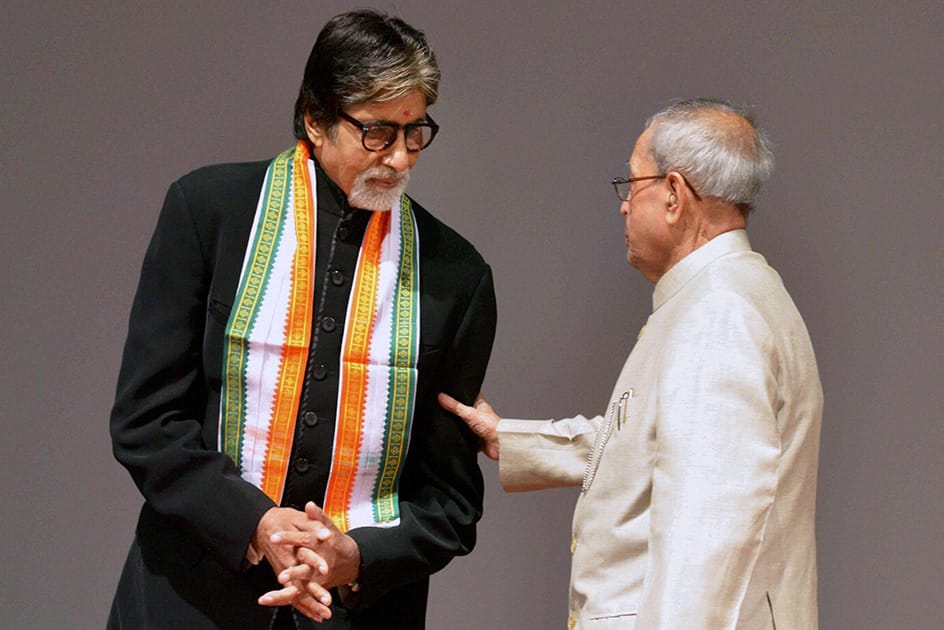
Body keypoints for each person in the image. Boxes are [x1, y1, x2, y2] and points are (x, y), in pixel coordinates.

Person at [109, 10, 496, 629]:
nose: (399, 159)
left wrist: (358, 556)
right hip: (189, 601)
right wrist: (253, 521)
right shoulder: (211, 214)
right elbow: (146, 422)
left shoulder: (455, 274)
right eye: (376, 132)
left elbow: (449, 503)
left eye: (415, 132)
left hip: (353, 614)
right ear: (315, 119)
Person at [440, 98, 822, 629]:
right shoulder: (729, 294)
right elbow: (655, 443)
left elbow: (709, 533)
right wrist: (513, 439)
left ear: (673, 195)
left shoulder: (717, 315)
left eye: (632, 184)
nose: (623, 205)